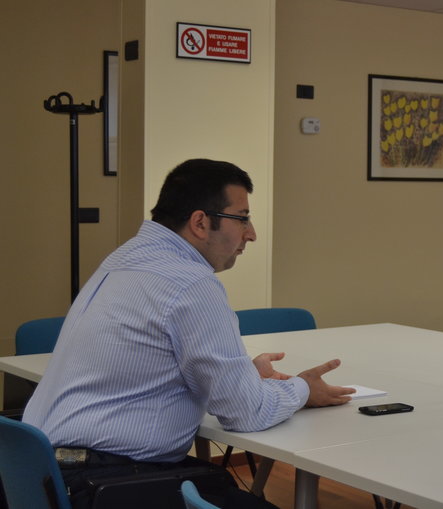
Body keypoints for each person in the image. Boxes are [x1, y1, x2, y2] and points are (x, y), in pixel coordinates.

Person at [23, 159, 355, 509]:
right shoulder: (190, 282)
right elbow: (246, 412)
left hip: (43, 472)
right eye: (242, 218)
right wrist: (303, 389)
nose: (251, 233)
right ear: (200, 222)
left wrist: (244, 376)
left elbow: (154, 363)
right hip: (105, 482)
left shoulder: (124, 259)